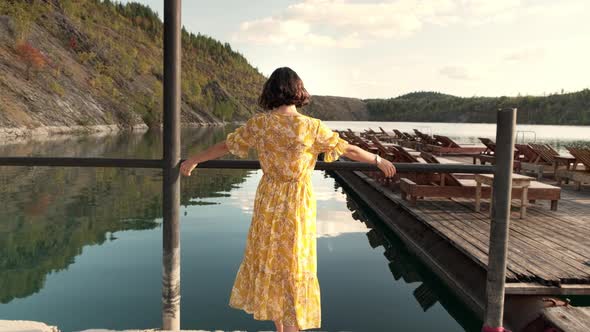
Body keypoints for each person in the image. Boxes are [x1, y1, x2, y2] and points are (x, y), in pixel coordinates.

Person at [180, 67, 396, 332]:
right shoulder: (310, 127)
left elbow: (226, 146)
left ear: (270, 91)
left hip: (269, 199)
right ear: (298, 91)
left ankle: (281, 327)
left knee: (270, 259)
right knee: (295, 263)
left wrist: (193, 160)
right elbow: (348, 149)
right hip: (297, 202)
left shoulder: (260, 124)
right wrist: (377, 159)